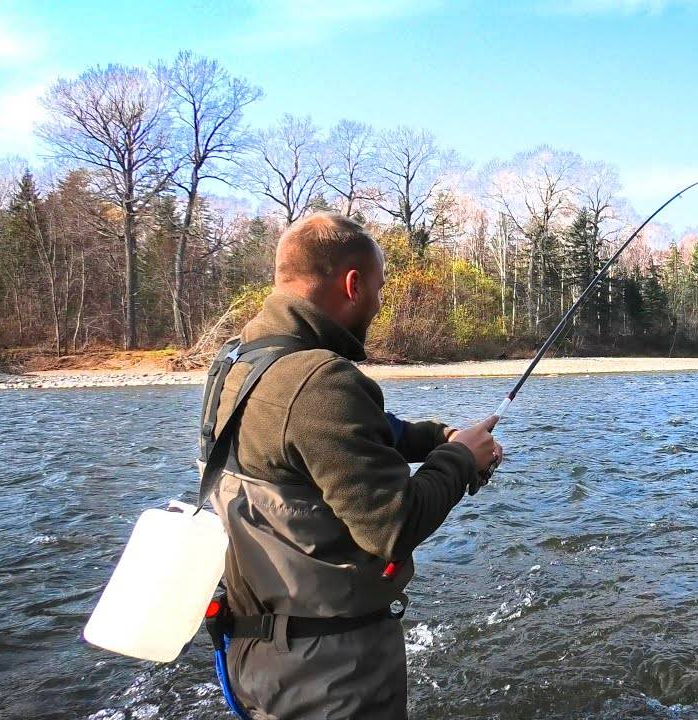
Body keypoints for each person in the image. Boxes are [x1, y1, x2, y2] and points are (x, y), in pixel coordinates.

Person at [198, 212, 501, 719]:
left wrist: (440, 438)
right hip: (327, 674)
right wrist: (461, 460)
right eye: (379, 289)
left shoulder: (238, 365)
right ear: (353, 284)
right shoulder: (320, 381)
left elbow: (367, 431)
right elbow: (393, 525)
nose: (380, 305)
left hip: (255, 652)